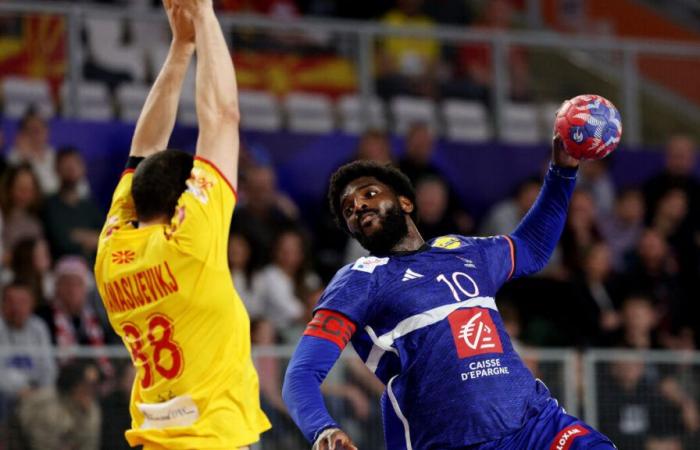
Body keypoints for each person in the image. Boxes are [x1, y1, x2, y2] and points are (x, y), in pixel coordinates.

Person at [282, 133, 616, 449]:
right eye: (349, 210)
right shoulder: (359, 280)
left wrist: (563, 171)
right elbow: (301, 374)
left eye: (368, 194)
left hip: (537, 425)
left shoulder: (463, 250)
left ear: (404, 202)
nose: (358, 207)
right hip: (453, 441)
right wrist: (323, 428)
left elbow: (532, 246)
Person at [93, 0, 270, 449]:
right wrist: (206, 15)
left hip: (153, 439)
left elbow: (143, 148)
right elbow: (222, 118)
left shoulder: (113, 249)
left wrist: (180, 48)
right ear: (181, 203)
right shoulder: (189, 243)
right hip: (212, 440)